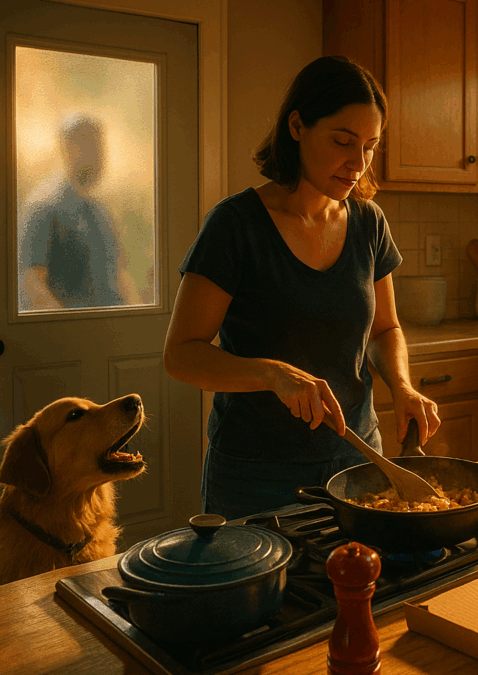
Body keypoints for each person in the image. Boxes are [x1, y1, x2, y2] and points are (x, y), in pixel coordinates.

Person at [163, 56, 441, 520]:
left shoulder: (369, 223)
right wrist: (274, 374)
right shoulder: (235, 226)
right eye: (342, 141)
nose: (358, 162)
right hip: (256, 472)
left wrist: (404, 387)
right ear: (297, 126)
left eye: (370, 146)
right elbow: (181, 354)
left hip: (358, 458)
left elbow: (384, 331)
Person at [18, 113, 136, 310]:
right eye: (87, 145)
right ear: (67, 149)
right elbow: (32, 283)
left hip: (112, 331)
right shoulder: (44, 207)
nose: (97, 156)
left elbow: (118, 277)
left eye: (99, 147)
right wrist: (70, 330)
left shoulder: (99, 212)